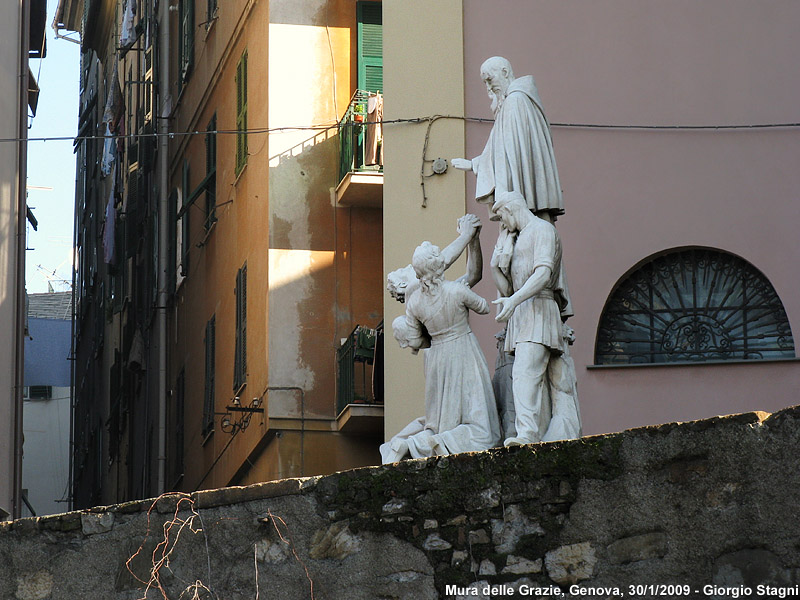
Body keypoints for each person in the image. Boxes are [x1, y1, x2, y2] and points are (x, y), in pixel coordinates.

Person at [380, 242, 501, 463]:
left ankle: (407, 444)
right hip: (463, 351)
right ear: (439, 265)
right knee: (483, 429)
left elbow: (416, 339)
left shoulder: (414, 301)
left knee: (438, 423)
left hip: (436, 357)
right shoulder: (455, 290)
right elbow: (484, 306)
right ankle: (414, 444)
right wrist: (468, 236)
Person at [490, 191, 580, 446]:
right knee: (538, 377)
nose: (503, 226)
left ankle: (528, 434)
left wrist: (514, 301)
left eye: (502, 219)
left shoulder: (542, 230)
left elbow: (542, 274)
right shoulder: (518, 239)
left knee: (524, 373)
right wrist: (497, 265)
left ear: (510, 210)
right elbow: (507, 290)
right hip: (523, 311)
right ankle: (541, 434)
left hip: (539, 308)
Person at [452, 56, 563, 222]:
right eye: (485, 83)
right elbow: (505, 148)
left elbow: (507, 151)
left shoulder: (514, 101)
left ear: (504, 72)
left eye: (490, 80)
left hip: (523, 204)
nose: (489, 87)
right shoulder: (522, 99)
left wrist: (474, 165)